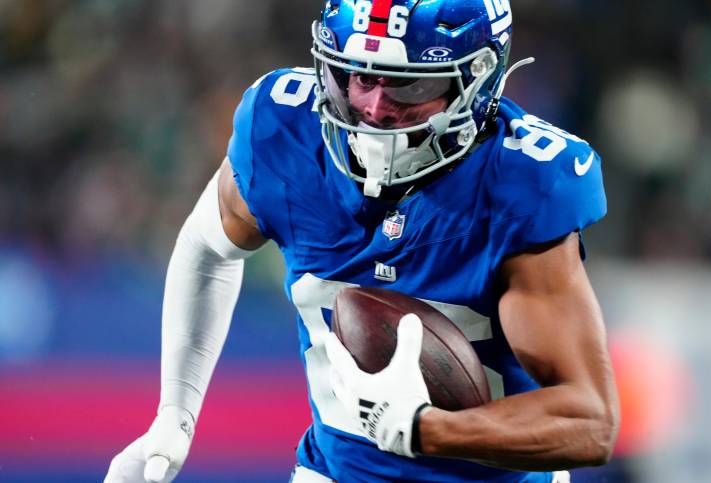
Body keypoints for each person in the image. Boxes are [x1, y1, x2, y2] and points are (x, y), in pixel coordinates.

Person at [104, 1, 620, 482]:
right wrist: (176, 412)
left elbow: (589, 420)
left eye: (409, 87)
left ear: (476, 79)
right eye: (359, 78)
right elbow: (206, 248)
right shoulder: (285, 130)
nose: (375, 108)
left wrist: (428, 431)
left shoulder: (521, 182)